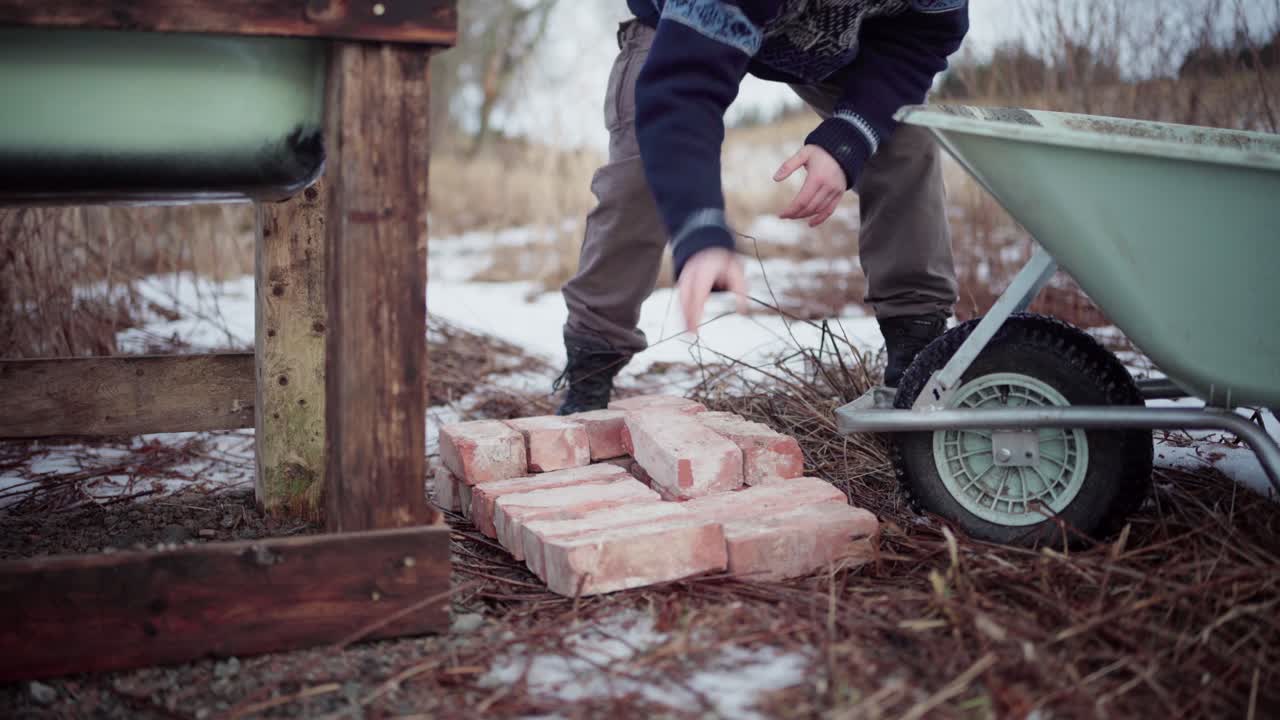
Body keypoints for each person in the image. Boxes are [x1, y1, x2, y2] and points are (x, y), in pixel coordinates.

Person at [556, 0, 970, 415]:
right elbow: (682, 92)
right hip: (684, 28)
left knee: (906, 141)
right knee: (641, 171)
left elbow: (925, 38)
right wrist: (700, 228)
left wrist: (850, 136)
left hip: (831, 43)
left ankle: (917, 350)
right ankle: (591, 366)